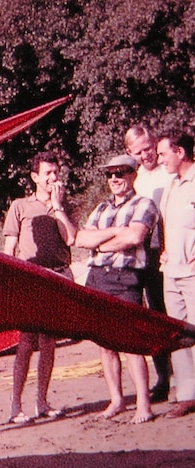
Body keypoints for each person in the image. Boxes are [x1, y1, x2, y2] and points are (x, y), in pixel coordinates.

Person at [74, 154, 159, 424]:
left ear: (133, 175)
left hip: (126, 277)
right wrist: (115, 234)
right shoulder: (100, 208)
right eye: (110, 174)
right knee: (106, 343)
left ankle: (143, 404)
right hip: (98, 276)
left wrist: (101, 242)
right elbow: (81, 239)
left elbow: (135, 237)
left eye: (120, 173)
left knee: (132, 342)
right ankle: (117, 400)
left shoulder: (144, 204)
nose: (114, 179)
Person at [2, 151, 77, 424]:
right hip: (30, 278)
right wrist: (10, 281)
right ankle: (15, 405)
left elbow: (70, 239)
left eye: (56, 172)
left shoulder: (64, 204)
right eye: (47, 173)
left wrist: (58, 206)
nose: (53, 178)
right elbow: (9, 248)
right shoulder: (20, 206)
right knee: (26, 342)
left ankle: (42, 402)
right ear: (35, 177)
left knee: (49, 342)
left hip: (58, 276)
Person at [124, 125, 175, 402]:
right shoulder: (136, 179)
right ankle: (163, 377)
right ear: (130, 153)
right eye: (139, 151)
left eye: (148, 147)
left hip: (171, 250)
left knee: (176, 312)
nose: (146, 155)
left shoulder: (169, 172)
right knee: (154, 317)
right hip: (147, 253)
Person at [156, 129, 195, 418]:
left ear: (179, 152)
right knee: (178, 335)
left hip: (193, 274)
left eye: (163, 154)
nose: (159, 160)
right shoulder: (171, 185)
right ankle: (187, 395)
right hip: (172, 272)